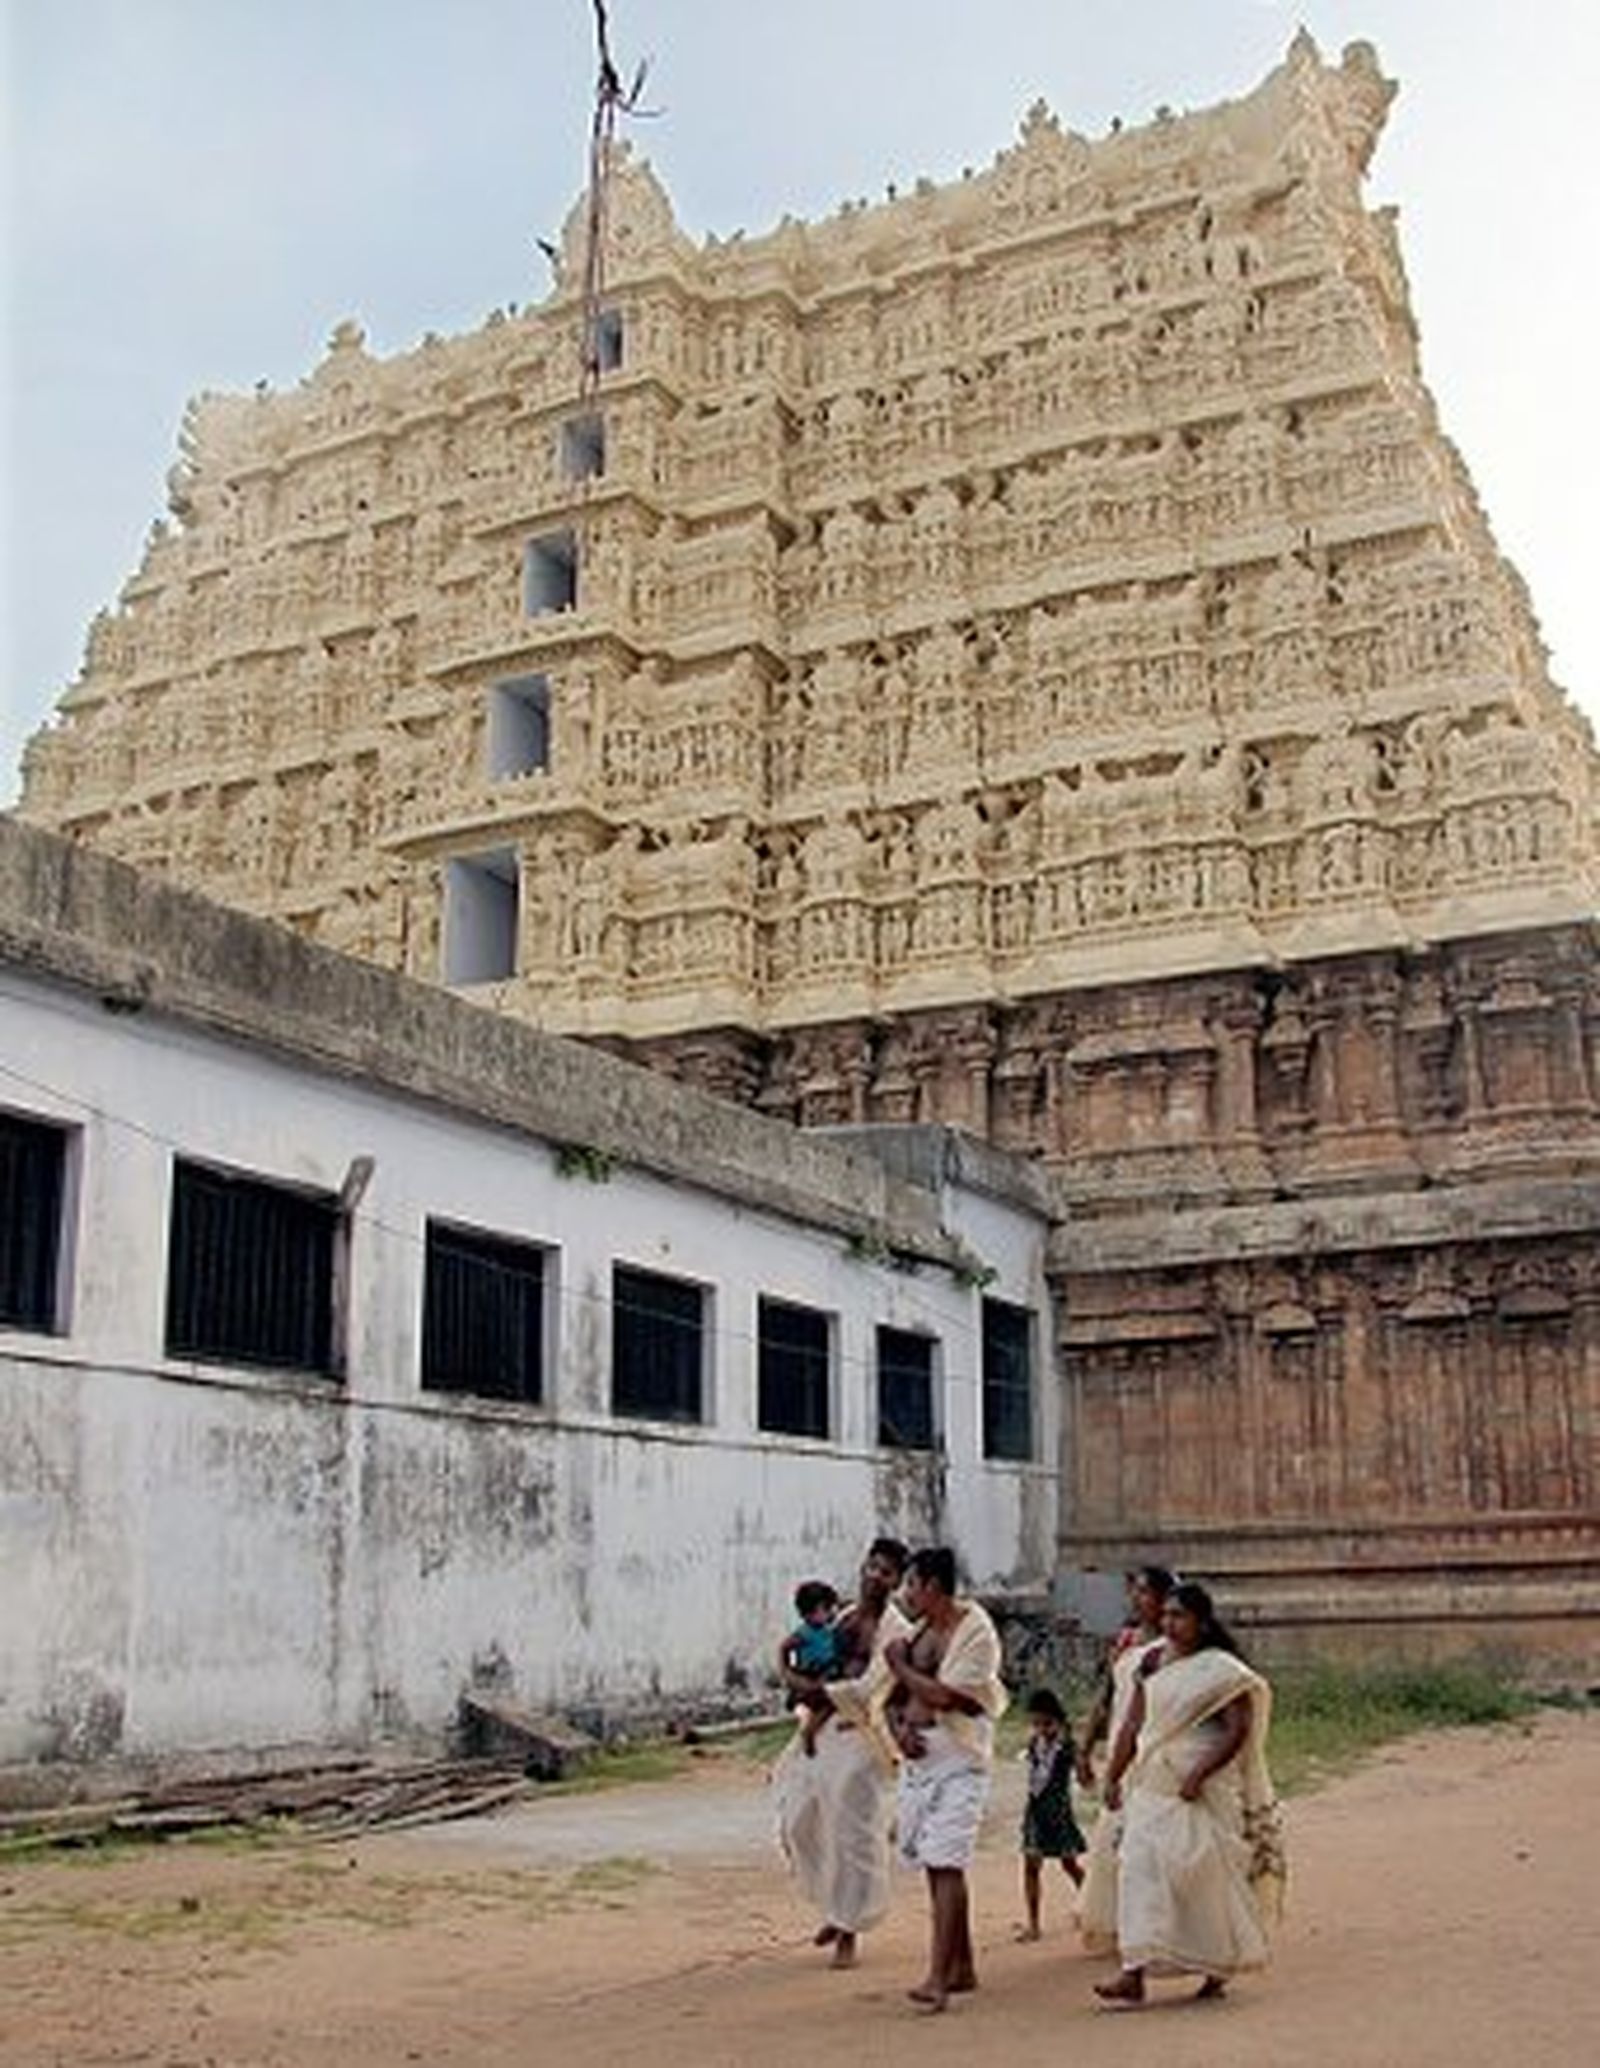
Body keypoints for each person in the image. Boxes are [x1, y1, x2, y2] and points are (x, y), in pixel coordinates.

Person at [1093, 1581, 1285, 2009]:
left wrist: (1200, 1772)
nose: (1170, 1624)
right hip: (1153, 1783)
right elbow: (1131, 1725)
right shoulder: (1152, 1661)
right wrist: (1114, 1774)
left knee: (1200, 1874)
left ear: (1202, 1622)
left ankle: (1216, 1966)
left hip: (1197, 1788)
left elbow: (1238, 1730)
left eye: (1179, 1616)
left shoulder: (1220, 1670)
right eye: (1166, 1616)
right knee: (1137, 1869)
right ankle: (1133, 1971)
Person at [774, 1537, 912, 1969]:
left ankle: (848, 1929)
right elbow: (811, 1656)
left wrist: (813, 1689)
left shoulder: (897, 1631)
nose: (875, 1575)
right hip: (821, 1728)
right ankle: (835, 1909)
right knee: (799, 1821)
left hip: (862, 1736)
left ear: (897, 1581)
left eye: (885, 1571)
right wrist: (793, 1674)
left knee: (853, 1834)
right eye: (871, 1566)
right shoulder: (844, 1615)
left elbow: (868, 1687)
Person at [884, 1546, 1009, 2013]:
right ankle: (962, 1965)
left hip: (960, 1757)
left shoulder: (976, 1633)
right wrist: (899, 1732)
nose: (906, 1594)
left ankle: (937, 1977)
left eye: (911, 1585)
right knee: (936, 1861)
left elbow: (945, 1695)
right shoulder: (920, 1633)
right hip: (921, 1759)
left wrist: (899, 1664)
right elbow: (893, 1700)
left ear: (932, 1586)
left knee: (945, 1860)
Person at [1077, 1564, 1175, 1956]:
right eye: (1133, 1591)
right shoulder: (1128, 1641)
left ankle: (1156, 1925)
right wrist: (1084, 1749)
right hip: (1121, 1745)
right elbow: (1107, 1698)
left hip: (1153, 1752)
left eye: (1144, 1592)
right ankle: (1123, 1924)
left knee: (1147, 1844)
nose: (1136, 1598)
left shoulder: (1173, 1647)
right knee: (1116, 1839)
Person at [1015, 1687, 1085, 1940]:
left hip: (1058, 1813)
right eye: (1036, 1723)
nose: (1042, 1729)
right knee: (1031, 1866)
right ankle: (1033, 1924)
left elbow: (1085, 1777)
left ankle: (1093, 1907)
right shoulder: (1034, 1744)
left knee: (1070, 1864)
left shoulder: (1067, 1747)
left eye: (1047, 1723)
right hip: (1035, 1812)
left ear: (1058, 1721)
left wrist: (1083, 1762)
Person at [779, 1580, 845, 1755]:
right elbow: (784, 1647)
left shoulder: (827, 1629)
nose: (831, 1612)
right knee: (828, 1703)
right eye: (825, 1609)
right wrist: (787, 1670)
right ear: (808, 1613)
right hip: (812, 1675)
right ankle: (810, 1730)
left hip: (826, 1672)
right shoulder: (804, 1633)